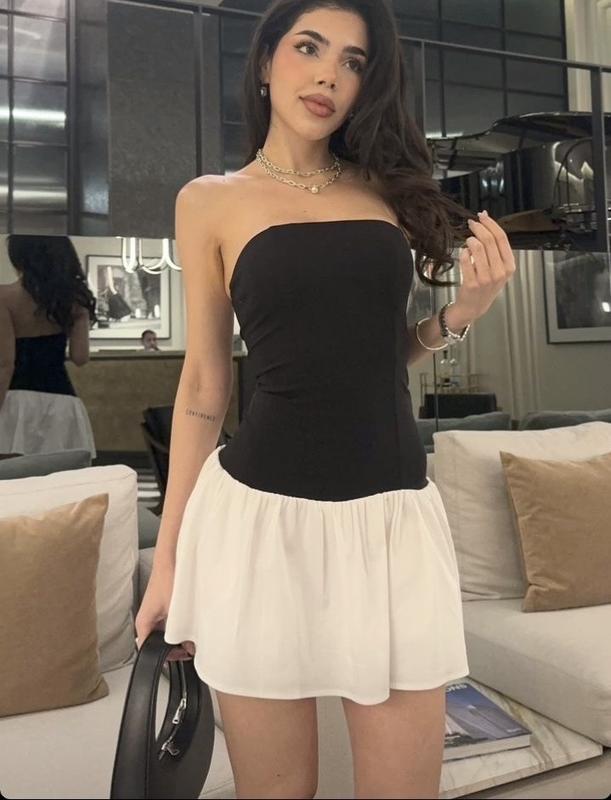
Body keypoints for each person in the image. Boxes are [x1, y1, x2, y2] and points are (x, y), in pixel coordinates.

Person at [135, 2, 516, 798]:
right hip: (257, 525)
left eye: (352, 61)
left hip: (391, 519)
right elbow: (204, 386)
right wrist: (168, 560)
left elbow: (371, 355)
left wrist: (459, 316)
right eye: (309, 48)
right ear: (265, 60)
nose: (328, 75)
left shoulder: (384, 190)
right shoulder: (210, 199)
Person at [0, 235, 97, 458]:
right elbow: (80, 357)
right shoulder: (74, 300)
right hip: (62, 401)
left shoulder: (4, 297)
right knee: (62, 477)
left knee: (12, 476)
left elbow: (5, 364)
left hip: (16, 400)